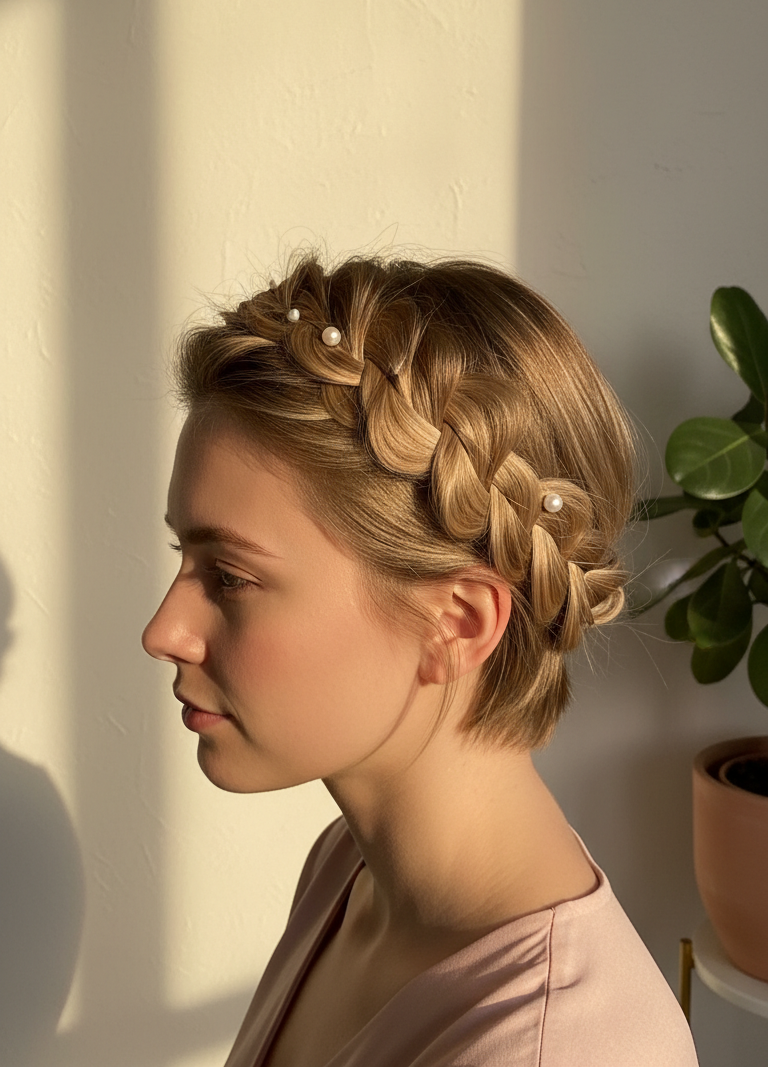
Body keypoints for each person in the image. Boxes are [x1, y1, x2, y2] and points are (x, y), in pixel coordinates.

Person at [142, 253, 698, 1067]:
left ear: (459, 623)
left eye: (229, 577)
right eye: (182, 559)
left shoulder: (556, 1049)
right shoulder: (350, 873)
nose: (164, 630)